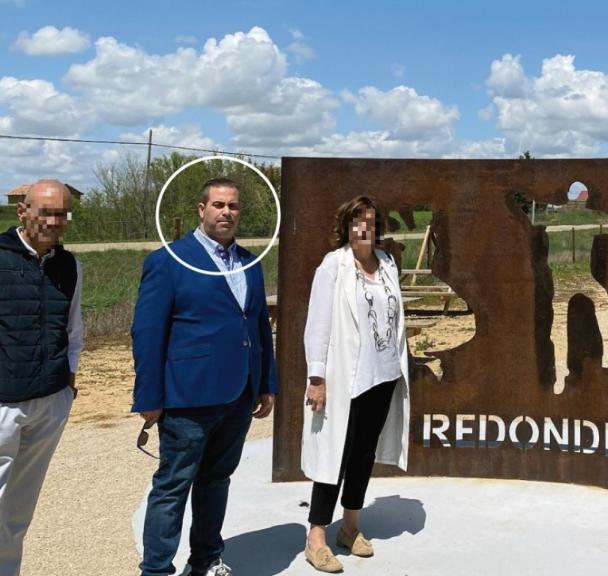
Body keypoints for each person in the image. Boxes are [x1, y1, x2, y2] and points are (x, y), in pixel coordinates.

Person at [132, 177, 278, 576]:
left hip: (238, 395)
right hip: (187, 397)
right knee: (172, 487)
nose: (226, 212)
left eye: (233, 206)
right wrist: (149, 397)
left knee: (217, 481)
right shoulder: (168, 260)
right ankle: (157, 569)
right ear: (202, 210)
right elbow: (147, 333)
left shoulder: (251, 261)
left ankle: (206, 559)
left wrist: (266, 382)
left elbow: (259, 325)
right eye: (218, 205)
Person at [301, 196, 411, 573]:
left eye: (371, 222)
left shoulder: (387, 264)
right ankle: (316, 536)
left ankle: (350, 526)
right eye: (357, 222)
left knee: (363, 454)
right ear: (347, 228)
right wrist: (316, 377)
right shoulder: (334, 266)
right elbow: (317, 324)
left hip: (382, 375)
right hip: (345, 377)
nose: (365, 229)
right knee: (335, 455)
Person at [0, 180, 82, 575]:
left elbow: (73, 328)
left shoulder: (69, 265)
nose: (53, 221)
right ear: (22, 212)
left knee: (17, 512)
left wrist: (69, 381)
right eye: (45, 211)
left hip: (49, 402)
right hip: (2, 405)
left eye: (61, 213)